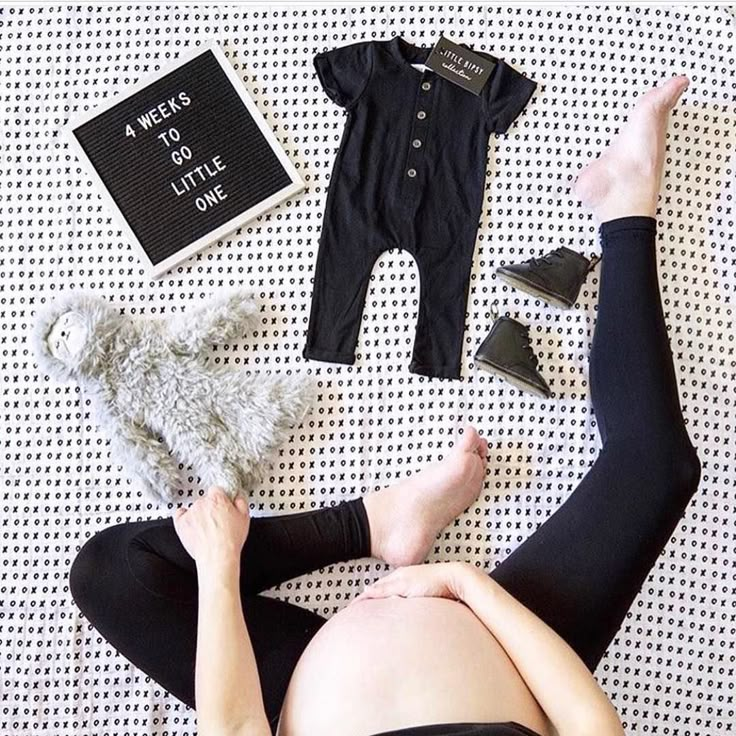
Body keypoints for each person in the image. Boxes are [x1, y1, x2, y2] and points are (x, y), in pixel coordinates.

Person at [69, 75, 700, 736]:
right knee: (657, 466)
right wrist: (464, 587)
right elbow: (594, 730)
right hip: (501, 645)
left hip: (301, 682)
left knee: (113, 575)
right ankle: (626, 197)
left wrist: (221, 570)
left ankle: (372, 524)